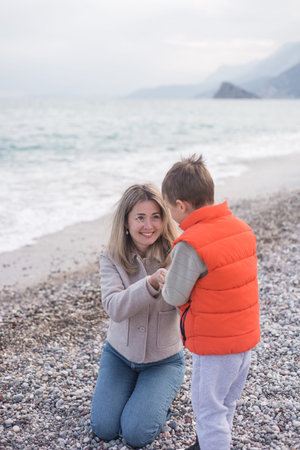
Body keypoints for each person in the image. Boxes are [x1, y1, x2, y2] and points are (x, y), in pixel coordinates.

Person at [160, 155, 260, 450]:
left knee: (208, 411)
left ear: (181, 205)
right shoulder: (242, 228)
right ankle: (206, 443)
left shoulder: (191, 243)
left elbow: (175, 295)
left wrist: (166, 280)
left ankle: (213, 443)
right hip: (243, 341)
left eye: (169, 208)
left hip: (214, 346)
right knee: (226, 404)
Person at [90, 184, 185, 448]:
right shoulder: (111, 257)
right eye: (140, 217)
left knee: (136, 434)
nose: (148, 225)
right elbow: (114, 307)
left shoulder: (178, 253)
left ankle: (156, 396)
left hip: (163, 361)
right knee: (104, 428)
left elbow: (191, 306)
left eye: (156, 216)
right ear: (126, 221)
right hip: (119, 356)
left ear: (164, 219)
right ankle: (136, 392)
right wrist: (150, 284)